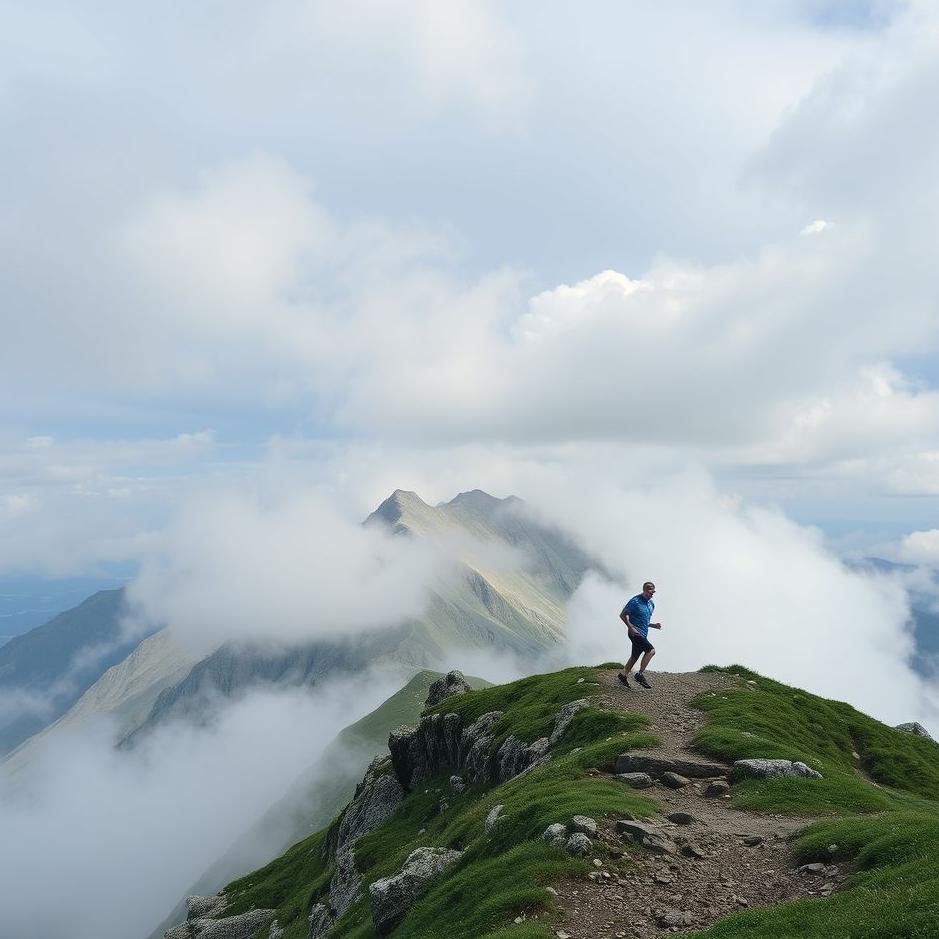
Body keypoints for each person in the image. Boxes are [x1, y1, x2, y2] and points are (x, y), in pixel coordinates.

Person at [617, 581, 662, 689]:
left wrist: (653, 625)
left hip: (643, 633)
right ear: (645, 590)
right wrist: (630, 627)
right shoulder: (635, 601)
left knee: (634, 656)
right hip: (635, 633)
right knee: (651, 651)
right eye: (651, 591)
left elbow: (644, 620)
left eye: (653, 592)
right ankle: (639, 674)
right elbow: (623, 615)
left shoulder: (651, 604)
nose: (652, 594)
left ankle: (623, 676)